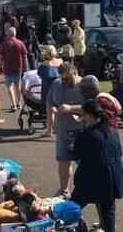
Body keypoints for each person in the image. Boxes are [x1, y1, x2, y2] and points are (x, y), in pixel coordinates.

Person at [70, 100, 123, 232]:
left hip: (92, 178)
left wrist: (73, 146)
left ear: (88, 115)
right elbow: (119, 152)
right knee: (109, 210)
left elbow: (75, 155)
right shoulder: (112, 130)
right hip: (112, 176)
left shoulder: (85, 133)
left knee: (72, 206)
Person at [46, 63, 82, 198]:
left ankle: (85, 191)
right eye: (62, 79)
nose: (64, 81)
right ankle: (64, 190)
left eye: (67, 79)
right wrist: (53, 108)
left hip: (80, 133)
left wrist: (71, 108)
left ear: (75, 73)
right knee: (63, 161)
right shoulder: (57, 83)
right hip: (62, 131)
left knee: (85, 165)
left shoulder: (85, 85)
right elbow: (49, 100)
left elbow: (91, 108)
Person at [0, 27, 28, 112]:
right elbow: (25, 56)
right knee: (17, 85)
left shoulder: (4, 44)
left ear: (8, 34)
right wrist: (25, 68)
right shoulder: (20, 43)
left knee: (9, 86)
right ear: (15, 34)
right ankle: (19, 103)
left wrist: (0, 67)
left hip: (7, 68)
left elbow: (0, 57)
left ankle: (13, 104)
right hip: (18, 68)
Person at [37, 45, 63, 136]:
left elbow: (40, 76)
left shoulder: (44, 65)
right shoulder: (61, 62)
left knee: (50, 111)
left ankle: (49, 131)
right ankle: (56, 129)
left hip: (48, 90)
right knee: (58, 110)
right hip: (60, 90)